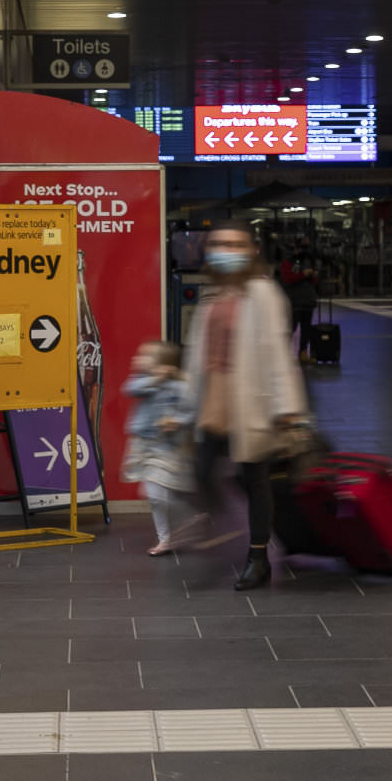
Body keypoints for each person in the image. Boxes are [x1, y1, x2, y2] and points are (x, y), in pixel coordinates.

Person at [181, 224, 312, 590]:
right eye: (220, 244)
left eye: (235, 244)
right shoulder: (213, 294)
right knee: (202, 469)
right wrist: (185, 402)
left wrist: (287, 407)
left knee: (256, 479)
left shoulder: (264, 293)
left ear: (251, 251)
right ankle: (227, 525)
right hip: (214, 398)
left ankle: (257, 558)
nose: (227, 249)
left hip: (252, 400)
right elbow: (196, 355)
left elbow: (277, 354)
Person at [121, 340, 198, 556]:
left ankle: (190, 519)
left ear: (163, 363)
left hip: (167, 447)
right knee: (154, 496)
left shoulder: (179, 386)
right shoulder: (143, 381)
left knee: (155, 492)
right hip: (143, 446)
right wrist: (156, 379)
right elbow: (129, 389)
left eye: (145, 356)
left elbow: (191, 410)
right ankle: (166, 539)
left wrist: (177, 421)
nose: (137, 359)